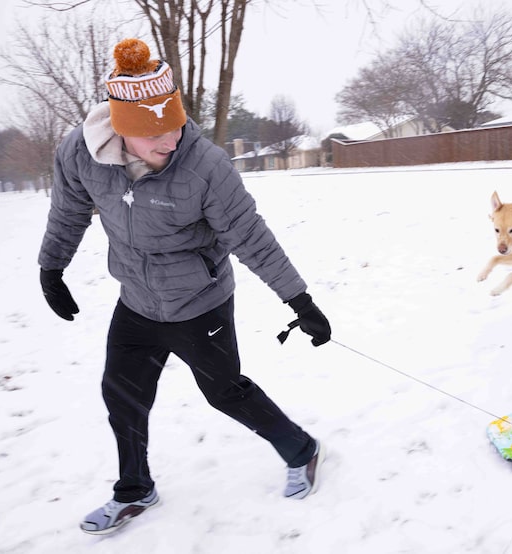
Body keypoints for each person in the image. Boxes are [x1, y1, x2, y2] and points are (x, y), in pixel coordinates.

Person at [38, 38, 332, 535]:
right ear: (123, 129)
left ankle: (302, 450)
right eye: (154, 136)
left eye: (175, 127)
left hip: (200, 302)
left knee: (225, 392)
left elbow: (250, 236)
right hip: (136, 300)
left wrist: (299, 300)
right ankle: (134, 489)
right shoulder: (80, 154)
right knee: (121, 394)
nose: (170, 141)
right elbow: (68, 212)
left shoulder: (204, 165)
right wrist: (52, 268)